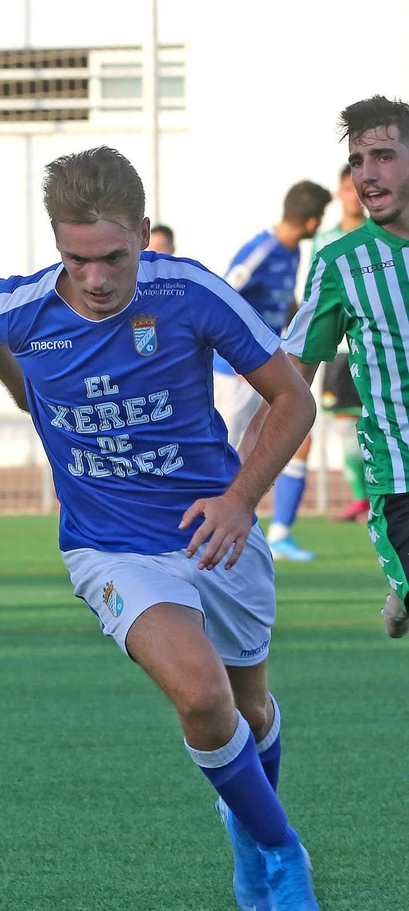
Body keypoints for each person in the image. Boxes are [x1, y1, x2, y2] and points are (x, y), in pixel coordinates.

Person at [0, 146, 322, 911]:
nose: (93, 278)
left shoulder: (187, 291)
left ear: (144, 236)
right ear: (56, 243)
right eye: (75, 258)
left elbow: (293, 398)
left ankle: (243, 820)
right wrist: (24, 390)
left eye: (113, 256)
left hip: (213, 531)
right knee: (200, 694)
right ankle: (281, 846)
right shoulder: (17, 309)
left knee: (250, 705)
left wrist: (238, 500)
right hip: (108, 546)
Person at [282, 95, 409, 639]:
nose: (366, 174)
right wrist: (236, 493)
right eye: (358, 161)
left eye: (382, 155)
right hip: (402, 479)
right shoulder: (340, 262)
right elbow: (289, 378)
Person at [210, 181, 332, 561]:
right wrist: (237, 355)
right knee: (225, 449)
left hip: (264, 368)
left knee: (271, 439)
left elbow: (286, 302)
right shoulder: (261, 250)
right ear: (312, 220)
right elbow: (223, 295)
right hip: (234, 373)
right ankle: (205, 527)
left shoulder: (293, 250)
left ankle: (267, 531)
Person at [311, 162, 371, 521]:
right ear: (340, 194)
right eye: (348, 189)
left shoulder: (381, 235)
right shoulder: (324, 239)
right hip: (339, 354)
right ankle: (360, 498)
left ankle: (384, 490)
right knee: (345, 426)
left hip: (372, 348)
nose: (354, 196)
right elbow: (313, 295)